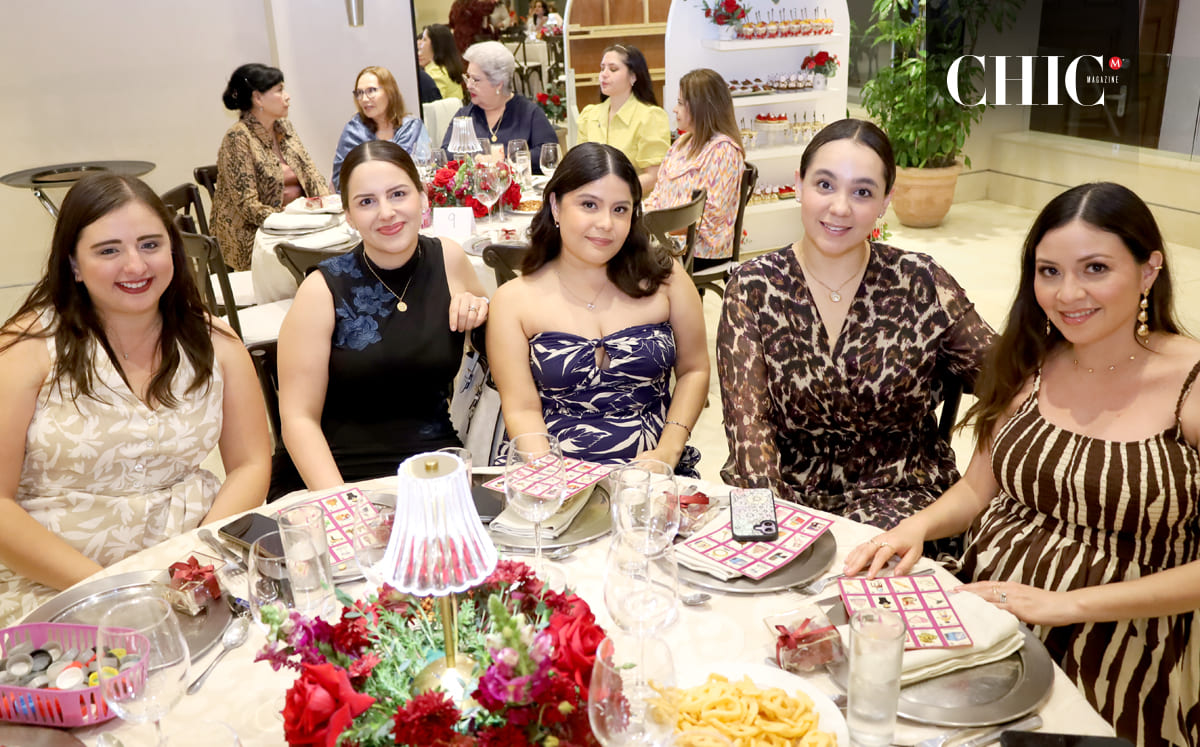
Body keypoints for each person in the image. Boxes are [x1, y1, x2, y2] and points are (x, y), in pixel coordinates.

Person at [844, 182, 1200, 747]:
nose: (1067, 294)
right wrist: (917, 526)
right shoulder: (1033, 360)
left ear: (1149, 271)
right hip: (989, 613)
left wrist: (1065, 605)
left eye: (1096, 268)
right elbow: (976, 489)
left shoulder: (1191, 383)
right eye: (1049, 271)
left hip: (1120, 644)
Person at [0, 174, 271, 625]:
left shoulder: (215, 343)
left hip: (195, 566)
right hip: (58, 582)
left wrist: (200, 560)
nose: (135, 265)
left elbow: (250, 464)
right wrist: (115, 588)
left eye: (150, 244)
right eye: (108, 250)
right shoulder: (26, 349)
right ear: (73, 264)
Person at [717, 119, 993, 528]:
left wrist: (976, 489)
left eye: (862, 192)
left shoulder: (919, 282)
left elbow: (1012, 379)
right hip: (787, 499)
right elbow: (748, 429)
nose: (840, 207)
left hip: (902, 503)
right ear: (799, 184)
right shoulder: (753, 287)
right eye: (825, 185)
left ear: (885, 201)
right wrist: (765, 534)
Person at [276, 141, 490, 493]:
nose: (386, 212)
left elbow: (494, 346)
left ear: (422, 198)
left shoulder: (449, 260)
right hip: (339, 471)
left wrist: (481, 312)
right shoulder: (322, 290)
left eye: (398, 194)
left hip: (435, 463)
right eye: (366, 202)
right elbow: (298, 420)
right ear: (348, 215)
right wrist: (341, 501)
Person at [488, 143, 708, 476]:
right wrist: (552, 478)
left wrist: (668, 450)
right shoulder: (514, 300)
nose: (606, 223)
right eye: (589, 205)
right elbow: (521, 409)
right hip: (553, 470)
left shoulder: (666, 279)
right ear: (556, 206)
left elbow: (695, 370)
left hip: (654, 474)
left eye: (620, 209)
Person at [212, 63, 330, 271]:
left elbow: (310, 172)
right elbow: (247, 205)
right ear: (258, 98)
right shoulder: (238, 138)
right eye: (279, 90)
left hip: (295, 226)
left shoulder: (283, 127)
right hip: (254, 238)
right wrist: (291, 220)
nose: (287, 96)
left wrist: (327, 205)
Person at [644, 68, 744, 271]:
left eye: (680, 103)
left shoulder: (723, 151)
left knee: (627, 264)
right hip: (668, 237)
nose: (674, 109)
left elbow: (708, 219)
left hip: (700, 250)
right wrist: (641, 217)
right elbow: (659, 192)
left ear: (701, 108)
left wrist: (654, 227)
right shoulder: (682, 142)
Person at [442, 41, 558, 173]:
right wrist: (475, 158)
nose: (468, 85)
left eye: (476, 80)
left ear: (498, 83)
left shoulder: (529, 114)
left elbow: (549, 153)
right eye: (468, 77)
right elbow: (445, 154)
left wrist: (506, 161)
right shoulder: (465, 116)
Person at [576, 44, 670, 193]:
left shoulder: (650, 117)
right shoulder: (589, 115)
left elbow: (653, 176)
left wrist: (616, 193)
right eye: (602, 68)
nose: (604, 75)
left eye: (613, 69)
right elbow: (580, 166)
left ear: (633, 76)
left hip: (634, 202)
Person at [332, 66, 432, 187]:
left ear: (390, 92)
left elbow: (427, 172)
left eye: (371, 91)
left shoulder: (412, 127)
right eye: (359, 93)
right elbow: (340, 179)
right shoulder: (353, 131)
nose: (364, 99)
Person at [419, 24, 466, 101]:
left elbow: (432, 107)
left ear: (435, 44)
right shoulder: (445, 67)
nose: (420, 44)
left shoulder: (437, 73)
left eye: (424, 40)